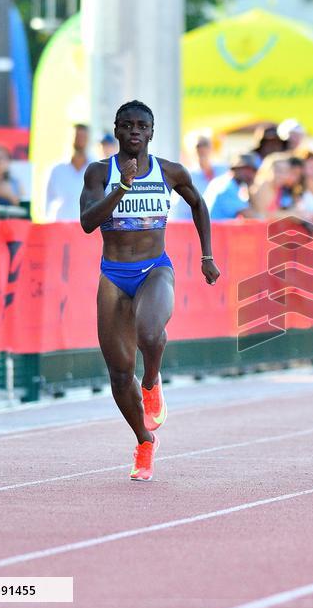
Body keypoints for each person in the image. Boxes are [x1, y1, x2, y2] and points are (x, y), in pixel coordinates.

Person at [80, 101, 220, 481]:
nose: (134, 131)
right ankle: (144, 441)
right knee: (118, 373)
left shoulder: (170, 172)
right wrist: (121, 187)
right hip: (113, 274)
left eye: (142, 126)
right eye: (127, 126)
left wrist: (207, 255)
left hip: (154, 268)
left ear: (152, 132)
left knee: (149, 331)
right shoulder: (99, 172)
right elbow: (88, 223)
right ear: (117, 131)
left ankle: (152, 381)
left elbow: (198, 203)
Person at [173, 136, 229, 220]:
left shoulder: (224, 169)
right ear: (191, 150)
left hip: (224, 225)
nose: (202, 149)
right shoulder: (186, 176)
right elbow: (181, 212)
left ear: (211, 148)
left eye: (205, 144)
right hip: (199, 227)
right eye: (198, 146)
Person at [46, 124, 90, 221]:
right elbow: (49, 201)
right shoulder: (57, 170)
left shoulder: (98, 169)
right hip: (62, 227)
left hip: (88, 230)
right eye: (77, 136)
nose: (80, 140)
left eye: (83, 137)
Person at [202, 152, 261, 220]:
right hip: (213, 229)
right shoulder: (227, 187)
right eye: (246, 169)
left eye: (253, 171)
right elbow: (252, 216)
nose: (250, 174)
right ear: (235, 169)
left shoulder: (222, 181)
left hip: (211, 227)